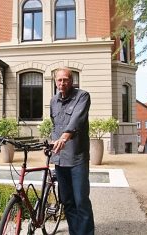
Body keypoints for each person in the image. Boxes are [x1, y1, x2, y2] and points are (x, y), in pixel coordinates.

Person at [50, 67, 95, 235]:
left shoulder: (82, 96)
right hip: (60, 158)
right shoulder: (53, 101)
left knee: (81, 200)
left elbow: (77, 119)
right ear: (55, 82)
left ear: (72, 81)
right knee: (67, 201)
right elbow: (55, 126)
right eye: (59, 80)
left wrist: (64, 137)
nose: (62, 83)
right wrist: (52, 143)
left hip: (77, 158)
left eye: (66, 80)